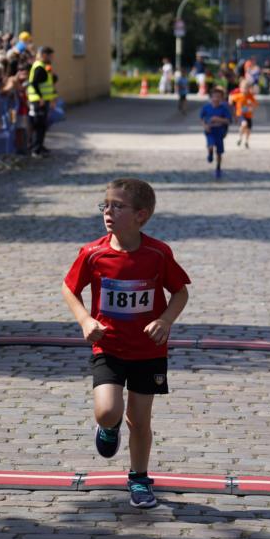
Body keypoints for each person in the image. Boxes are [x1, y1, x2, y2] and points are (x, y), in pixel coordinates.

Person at [61, 178, 190, 509]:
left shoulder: (158, 254)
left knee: (141, 420)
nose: (108, 211)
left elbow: (180, 291)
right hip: (110, 346)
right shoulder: (92, 253)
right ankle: (107, 429)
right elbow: (69, 289)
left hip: (149, 351)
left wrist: (165, 321)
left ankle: (139, 479)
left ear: (141, 215)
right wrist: (85, 321)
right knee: (107, 411)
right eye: (105, 204)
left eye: (118, 206)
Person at [27, 45, 57, 157]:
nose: (52, 58)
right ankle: (35, 149)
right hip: (38, 101)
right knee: (38, 124)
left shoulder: (45, 66)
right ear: (44, 55)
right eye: (50, 56)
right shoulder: (39, 67)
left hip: (44, 100)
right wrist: (40, 98)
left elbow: (50, 82)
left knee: (43, 125)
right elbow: (34, 83)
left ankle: (40, 146)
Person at [200, 86, 232, 179]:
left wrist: (218, 119)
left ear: (222, 98)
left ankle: (218, 167)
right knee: (210, 146)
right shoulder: (206, 107)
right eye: (214, 96)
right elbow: (202, 118)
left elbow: (228, 121)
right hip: (210, 131)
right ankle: (210, 153)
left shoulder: (224, 109)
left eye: (218, 97)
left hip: (220, 131)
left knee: (219, 152)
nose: (216, 99)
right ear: (211, 97)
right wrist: (205, 126)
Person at [229, 78, 258, 148]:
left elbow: (256, 105)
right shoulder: (238, 95)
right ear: (240, 88)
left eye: (247, 88)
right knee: (244, 124)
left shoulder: (250, 96)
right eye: (243, 88)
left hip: (249, 115)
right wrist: (230, 102)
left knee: (248, 130)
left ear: (249, 89)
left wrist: (252, 105)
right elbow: (231, 98)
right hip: (240, 114)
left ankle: (246, 141)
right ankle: (240, 138)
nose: (245, 90)